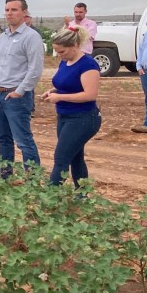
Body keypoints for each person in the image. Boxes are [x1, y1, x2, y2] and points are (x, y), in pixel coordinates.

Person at [0, 0, 44, 175]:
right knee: (3, 139)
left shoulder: (31, 37)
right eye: (7, 10)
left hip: (15, 97)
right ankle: (4, 175)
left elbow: (34, 69)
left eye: (14, 10)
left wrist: (19, 91)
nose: (9, 13)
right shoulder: (2, 36)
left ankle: (32, 179)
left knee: (23, 140)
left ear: (24, 12)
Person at [41, 26, 101, 187]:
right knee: (75, 156)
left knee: (61, 158)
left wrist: (59, 97)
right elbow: (67, 83)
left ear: (74, 46)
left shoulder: (88, 65)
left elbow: (89, 95)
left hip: (84, 118)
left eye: (62, 52)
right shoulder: (66, 61)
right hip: (65, 116)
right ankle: (81, 194)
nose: (60, 55)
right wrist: (53, 91)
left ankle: (49, 196)